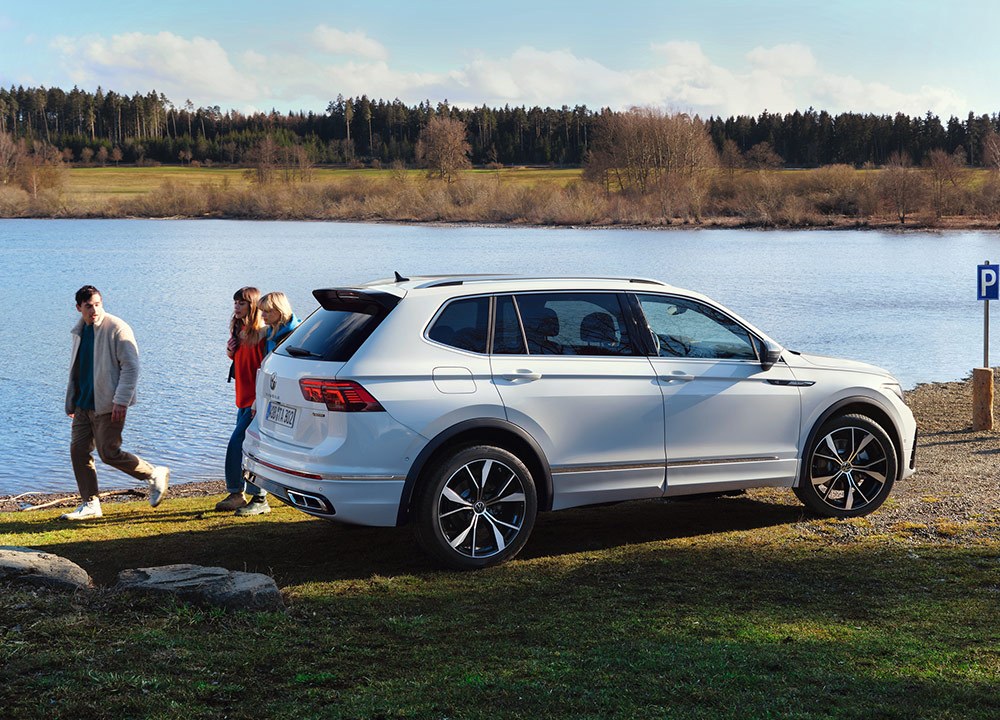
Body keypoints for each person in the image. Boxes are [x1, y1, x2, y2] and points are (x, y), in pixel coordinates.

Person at [62, 285, 169, 521]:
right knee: (78, 451)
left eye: (97, 304)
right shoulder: (80, 330)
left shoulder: (117, 328)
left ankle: (153, 473)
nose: (94, 310)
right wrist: (71, 401)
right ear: (79, 307)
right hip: (83, 405)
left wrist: (121, 400)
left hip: (108, 404)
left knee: (108, 453)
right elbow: (77, 369)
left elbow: (131, 367)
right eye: (88, 306)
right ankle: (90, 503)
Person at [216, 287, 269, 516]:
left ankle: (254, 496)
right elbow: (240, 361)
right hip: (242, 398)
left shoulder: (263, 333)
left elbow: (265, 367)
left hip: (256, 401)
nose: (236, 307)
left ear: (253, 305)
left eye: (242, 303)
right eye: (235, 302)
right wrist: (230, 352)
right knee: (247, 446)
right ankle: (241, 494)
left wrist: (261, 400)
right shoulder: (239, 328)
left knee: (239, 444)